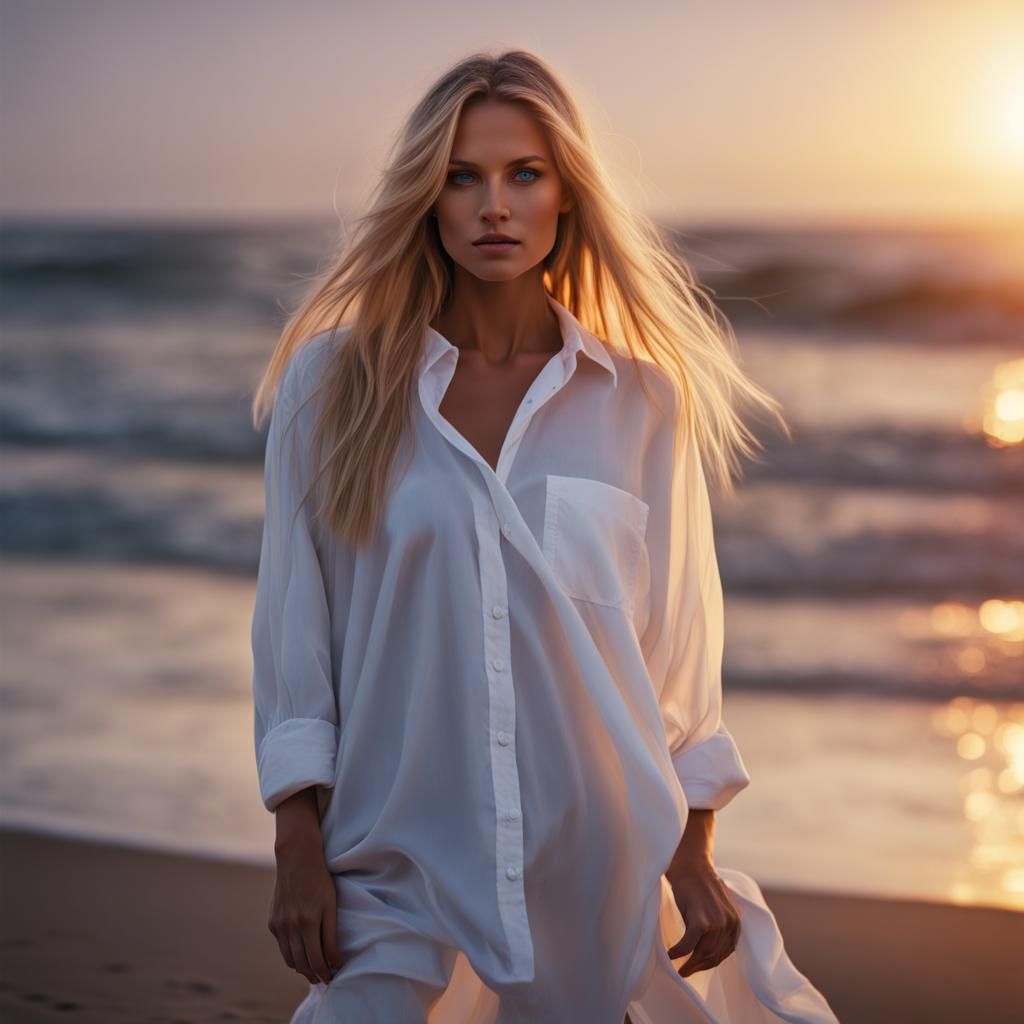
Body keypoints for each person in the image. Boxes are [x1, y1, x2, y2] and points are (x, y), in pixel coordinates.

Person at [250, 48, 841, 1024]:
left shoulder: (642, 402)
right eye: (462, 177)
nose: (494, 206)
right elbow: (293, 630)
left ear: (566, 192)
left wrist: (691, 850)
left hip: (592, 859)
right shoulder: (332, 387)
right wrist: (295, 843)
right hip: (394, 852)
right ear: (426, 197)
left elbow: (673, 653)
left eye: (523, 174)